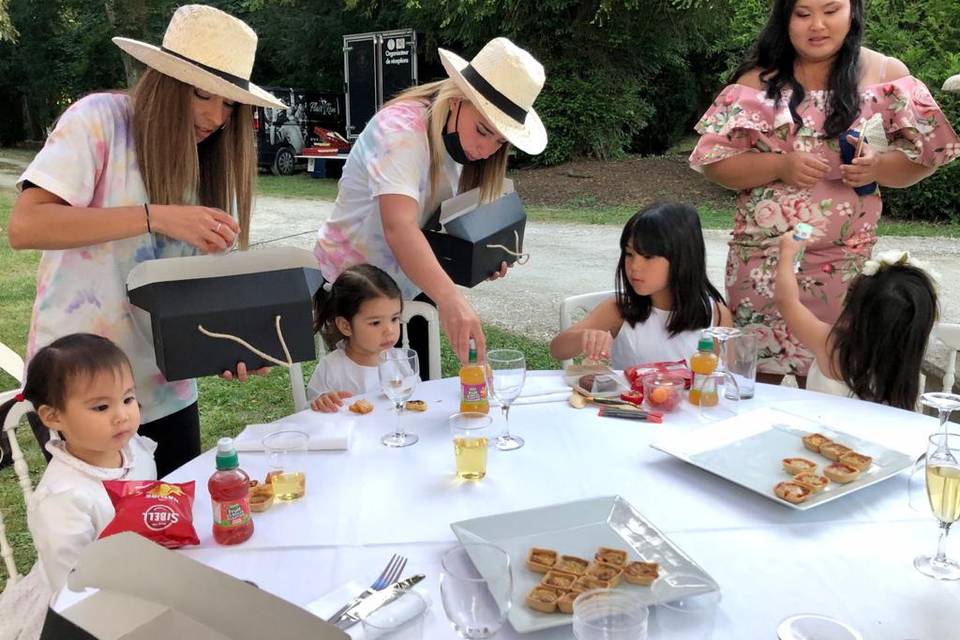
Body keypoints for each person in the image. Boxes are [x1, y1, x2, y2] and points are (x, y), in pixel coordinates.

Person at [7, 5, 284, 476]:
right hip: (79, 386)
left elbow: (189, 291)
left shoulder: (211, 159)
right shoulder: (100, 119)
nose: (217, 117)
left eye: (230, 103)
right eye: (203, 95)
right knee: (107, 542)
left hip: (164, 385)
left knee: (174, 533)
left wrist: (229, 346)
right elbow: (27, 226)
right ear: (166, 82)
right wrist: (155, 218)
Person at [689, 0, 959, 385]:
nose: (817, 25)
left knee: (829, 378)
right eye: (802, 14)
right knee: (750, 380)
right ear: (785, 17)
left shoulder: (887, 75)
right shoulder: (757, 81)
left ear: (853, 11)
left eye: (831, 10)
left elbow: (930, 155)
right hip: (761, 259)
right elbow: (713, 162)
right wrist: (779, 165)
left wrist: (879, 166)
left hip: (842, 263)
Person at [313, 37, 548, 373]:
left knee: (416, 391)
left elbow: (440, 225)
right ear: (456, 100)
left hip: (409, 283)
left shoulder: (466, 145)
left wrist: (482, 257)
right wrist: (450, 298)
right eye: (483, 131)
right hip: (354, 287)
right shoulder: (402, 130)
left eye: (500, 141)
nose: (486, 150)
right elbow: (400, 226)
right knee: (364, 402)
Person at [0, 334, 157, 595]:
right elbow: (72, 589)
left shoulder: (135, 449)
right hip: (95, 604)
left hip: (146, 574)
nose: (121, 416)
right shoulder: (63, 500)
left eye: (128, 399)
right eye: (101, 407)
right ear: (52, 416)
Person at [550, 203, 733, 369]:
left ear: (682, 259)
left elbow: (726, 377)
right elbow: (558, 349)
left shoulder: (715, 315)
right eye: (629, 254)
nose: (634, 266)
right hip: (630, 405)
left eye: (648, 256)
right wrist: (585, 337)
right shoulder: (620, 309)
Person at [775, 236, 937, 410]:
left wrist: (787, 254)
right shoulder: (905, 368)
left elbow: (787, 302)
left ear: (855, 306)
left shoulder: (832, 346)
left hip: (819, 436)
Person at [308, 265, 404, 412]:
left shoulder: (400, 360)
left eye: (395, 318)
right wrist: (322, 402)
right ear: (346, 326)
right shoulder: (332, 368)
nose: (390, 331)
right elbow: (309, 412)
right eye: (375, 322)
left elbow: (418, 396)